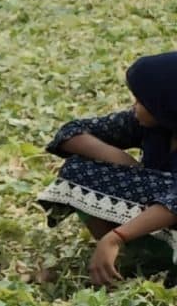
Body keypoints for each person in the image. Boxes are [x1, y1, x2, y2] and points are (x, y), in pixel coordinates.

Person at [39, 52, 177, 286]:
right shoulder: (153, 124)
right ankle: (129, 260)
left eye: (142, 102)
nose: (134, 107)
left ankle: (137, 256)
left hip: (166, 220)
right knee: (78, 170)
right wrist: (121, 159)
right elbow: (71, 132)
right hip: (154, 222)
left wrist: (115, 237)